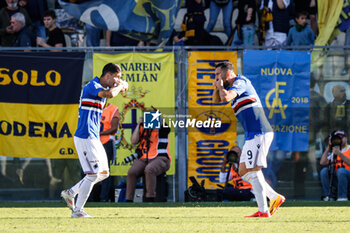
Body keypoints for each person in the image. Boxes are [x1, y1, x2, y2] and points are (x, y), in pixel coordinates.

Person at [212, 61, 285, 217]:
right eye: (215, 74)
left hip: (260, 132)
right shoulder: (228, 86)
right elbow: (216, 101)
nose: (216, 76)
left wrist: (220, 87)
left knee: (253, 169)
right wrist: (217, 87)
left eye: (218, 74)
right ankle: (274, 197)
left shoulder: (241, 82)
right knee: (243, 171)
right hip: (252, 134)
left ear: (228, 73)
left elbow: (226, 98)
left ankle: (264, 210)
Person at [60, 63, 128, 218]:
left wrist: (121, 86)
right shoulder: (92, 85)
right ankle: (77, 210)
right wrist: (121, 86)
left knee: (103, 173)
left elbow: (113, 92)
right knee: (92, 174)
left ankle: (70, 193)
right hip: (85, 136)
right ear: (108, 75)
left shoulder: (101, 86)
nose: (118, 80)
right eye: (117, 77)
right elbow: (109, 94)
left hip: (93, 137)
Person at [125, 115, 171, 202]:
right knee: (132, 172)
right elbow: (134, 141)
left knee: (149, 169)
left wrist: (160, 120)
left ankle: (150, 198)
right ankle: (129, 199)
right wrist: (139, 125)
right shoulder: (143, 128)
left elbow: (166, 129)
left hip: (161, 158)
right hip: (144, 158)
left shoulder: (161, 128)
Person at [319, 130, 350, 201]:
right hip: (338, 179)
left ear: (346, 138)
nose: (339, 139)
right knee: (324, 171)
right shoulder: (335, 150)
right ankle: (329, 196)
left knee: (341, 171)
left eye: (341, 137)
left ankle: (342, 197)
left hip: (348, 177)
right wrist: (328, 148)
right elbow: (322, 162)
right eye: (337, 137)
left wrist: (340, 154)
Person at [98, 102, 119, 202]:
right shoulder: (93, 108)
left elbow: (114, 128)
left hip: (106, 142)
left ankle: (104, 198)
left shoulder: (113, 109)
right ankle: (88, 198)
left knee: (105, 170)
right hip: (93, 142)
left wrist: (100, 133)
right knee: (87, 170)